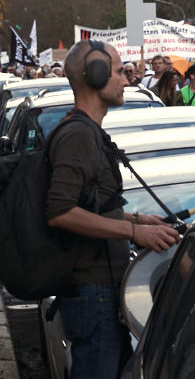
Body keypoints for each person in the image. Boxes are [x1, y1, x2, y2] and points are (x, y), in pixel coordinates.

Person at [46, 41, 179, 378]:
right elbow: (60, 211)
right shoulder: (77, 135)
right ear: (95, 77)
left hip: (101, 294)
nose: (126, 80)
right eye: (119, 72)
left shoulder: (87, 130)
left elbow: (87, 206)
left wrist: (136, 218)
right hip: (93, 295)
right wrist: (135, 232)